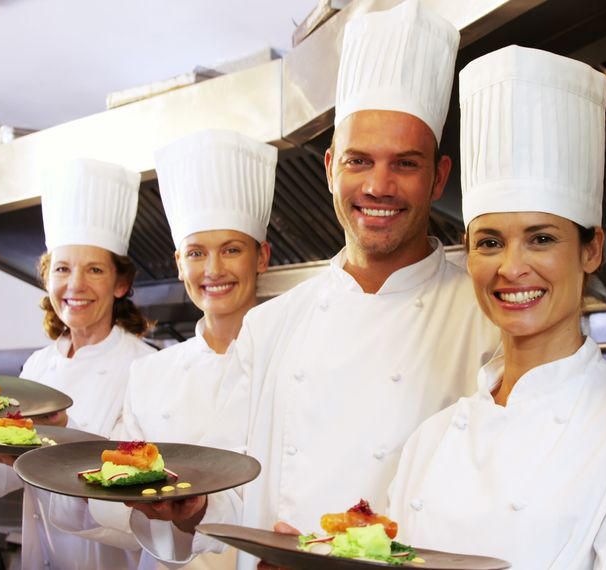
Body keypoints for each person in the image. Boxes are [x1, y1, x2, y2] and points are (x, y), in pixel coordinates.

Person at [125, 1, 500, 567]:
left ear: (439, 176)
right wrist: (192, 509)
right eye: (358, 160)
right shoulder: (270, 326)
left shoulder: (486, 320)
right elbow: (230, 488)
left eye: (405, 163)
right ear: (330, 170)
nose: (379, 185)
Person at [385, 45, 606, 570]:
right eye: (489, 242)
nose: (511, 268)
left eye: (540, 239)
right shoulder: (432, 437)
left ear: (591, 249)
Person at [47, 129, 276, 570]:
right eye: (195, 253)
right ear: (178, 263)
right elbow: (114, 500)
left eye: (231, 249)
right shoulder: (152, 373)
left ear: (262, 257)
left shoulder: (290, 362)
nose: (212, 270)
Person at [0, 158, 156, 569]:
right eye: (62, 269)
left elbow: (139, 508)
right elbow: (1, 480)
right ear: (46, 278)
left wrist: (60, 441)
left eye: (94, 269)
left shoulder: (146, 368)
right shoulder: (36, 367)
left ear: (121, 283)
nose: (76, 285)